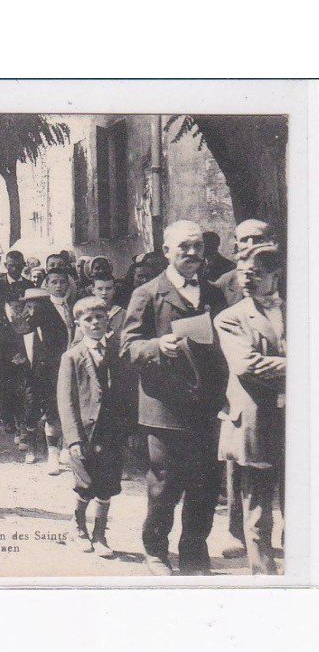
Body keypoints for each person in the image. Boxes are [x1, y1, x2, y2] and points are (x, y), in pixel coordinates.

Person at [120, 220, 228, 575]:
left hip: (206, 406)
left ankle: (195, 550)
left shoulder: (213, 293)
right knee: (165, 483)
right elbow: (126, 348)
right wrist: (155, 345)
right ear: (167, 251)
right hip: (165, 408)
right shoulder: (148, 293)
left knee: (206, 483)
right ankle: (156, 551)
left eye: (197, 246)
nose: (192, 253)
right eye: (184, 247)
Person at [214, 245, 285, 574]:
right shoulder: (230, 318)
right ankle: (264, 577)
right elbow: (247, 365)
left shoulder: (302, 308)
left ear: (275, 275)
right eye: (243, 274)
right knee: (257, 509)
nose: (247, 280)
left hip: (298, 420)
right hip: (255, 419)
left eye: (255, 274)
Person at [59, 297, 132, 557]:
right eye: (88, 320)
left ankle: (100, 533)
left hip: (112, 431)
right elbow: (66, 401)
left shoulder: (118, 350)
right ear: (78, 324)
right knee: (86, 483)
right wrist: (73, 439)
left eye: (99, 318)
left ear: (107, 320)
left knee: (109, 483)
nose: (94, 323)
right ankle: (78, 527)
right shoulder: (72, 356)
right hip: (85, 433)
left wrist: (128, 427)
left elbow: (126, 391)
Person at [16, 287, 70, 471]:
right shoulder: (23, 326)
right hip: (32, 376)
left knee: (54, 411)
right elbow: (16, 349)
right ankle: (32, 448)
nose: (31, 312)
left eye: (35, 308)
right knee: (31, 409)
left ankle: (54, 452)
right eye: (28, 307)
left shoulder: (57, 326)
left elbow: (62, 351)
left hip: (52, 376)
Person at [0, 249, 32, 443]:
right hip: (5, 343)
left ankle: (23, 419)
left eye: (18, 265)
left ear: (23, 266)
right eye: (11, 265)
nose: (15, 269)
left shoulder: (29, 286)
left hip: (25, 341)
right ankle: (8, 418)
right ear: (6, 266)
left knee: (23, 382)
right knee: (5, 382)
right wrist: (1, 341)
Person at [74, 272, 125, 342]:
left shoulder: (123, 314)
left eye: (108, 288)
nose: (104, 293)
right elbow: (77, 342)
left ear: (114, 290)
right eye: (100, 289)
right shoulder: (84, 314)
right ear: (93, 290)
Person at [45, 266, 76, 347]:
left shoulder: (74, 305)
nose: (58, 286)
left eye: (62, 282)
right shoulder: (43, 308)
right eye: (54, 282)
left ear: (68, 285)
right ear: (47, 286)